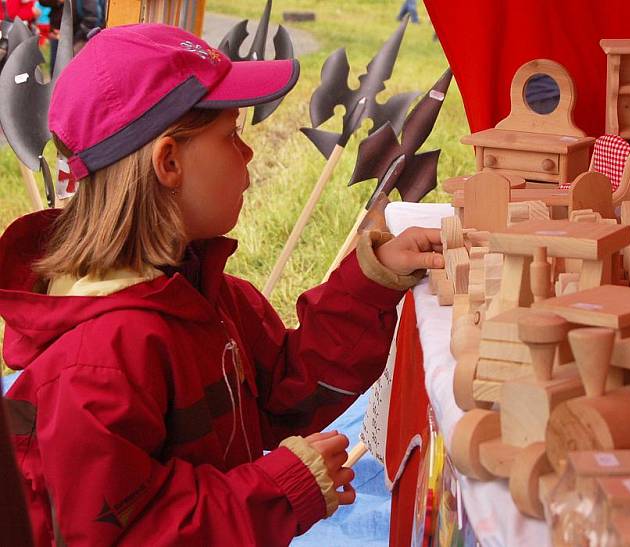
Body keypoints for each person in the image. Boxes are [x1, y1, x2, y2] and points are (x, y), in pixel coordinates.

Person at [0, 24, 443, 546]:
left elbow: (285, 388)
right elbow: (125, 537)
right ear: (168, 163)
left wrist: (370, 282)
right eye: (231, 136)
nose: (249, 153)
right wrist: (281, 489)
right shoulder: (95, 365)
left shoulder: (201, 289)